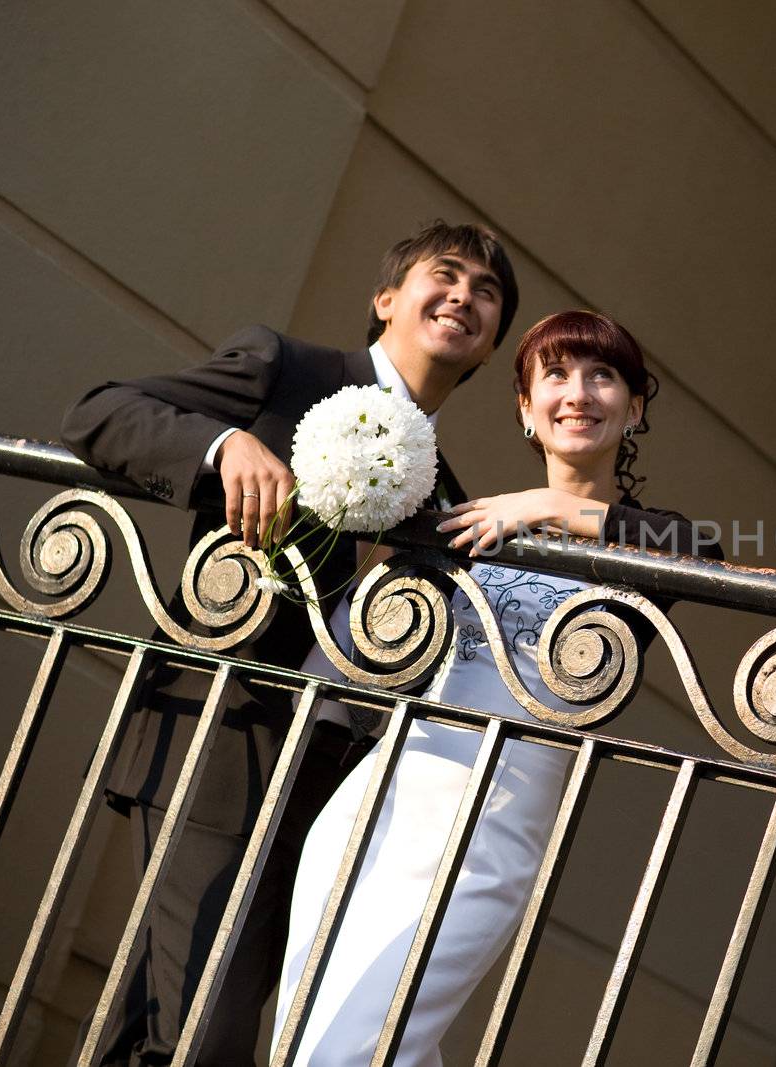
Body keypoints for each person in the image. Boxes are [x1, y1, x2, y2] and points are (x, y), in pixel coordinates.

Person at [60, 220, 519, 1066]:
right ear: (386, 300)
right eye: (444, 276)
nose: (463, 296)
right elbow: (101, 413)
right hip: (215, 738)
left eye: (486, 293)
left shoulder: (444, 498)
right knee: (206, 1035)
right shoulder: (291, 370)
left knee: (159, 1028)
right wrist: (225, 443)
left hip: (323, 790)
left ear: (489, 348)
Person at [275, 311, 717, 1065]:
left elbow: (699, 552)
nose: (578, 393)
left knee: (355, 1051)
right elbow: (355, 647)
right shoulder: (471, 526)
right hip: (378, 803)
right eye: (555, 375)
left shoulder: (651, 540)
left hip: (492, 828)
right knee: (308, 1045)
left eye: (602, 375)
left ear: (634, 407)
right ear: (525, 409)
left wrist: (546, 506)